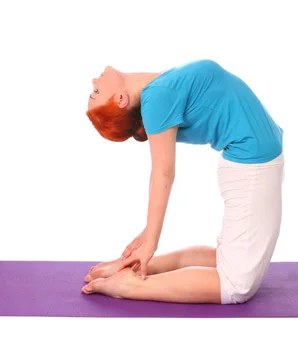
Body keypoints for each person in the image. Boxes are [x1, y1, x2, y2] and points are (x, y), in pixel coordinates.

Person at [81, 59, 285, 304]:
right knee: (236, 285)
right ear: (121, 99)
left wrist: (148, 237)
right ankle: (130, 286)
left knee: (226, 259)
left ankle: (135, 268)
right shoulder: (156, 97)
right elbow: (162, 172)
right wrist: (151, 240)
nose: (95, 81)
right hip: (252, 168)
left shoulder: (157, 90)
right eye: (97, 92)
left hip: (252, 164)